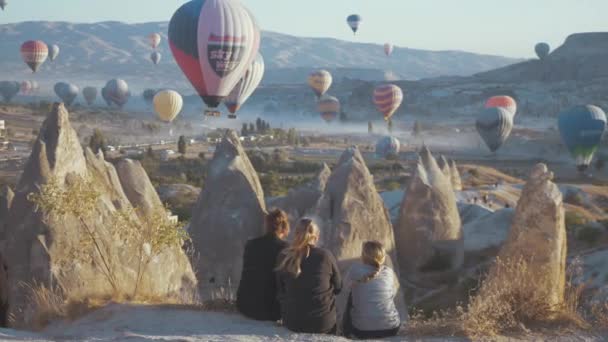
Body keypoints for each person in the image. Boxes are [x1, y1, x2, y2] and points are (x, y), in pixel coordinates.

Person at [276, 218, 342, 334]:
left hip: (293, 322)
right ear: (316, 237)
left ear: (296, 234)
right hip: (323, 324)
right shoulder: (325, 255)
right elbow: (338, 287)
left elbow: (281, 290)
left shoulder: (284, 256)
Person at [236, 209, 290, 321]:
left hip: (245, 306)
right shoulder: (286, 249)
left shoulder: (250, 244)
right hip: (273, 311)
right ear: (285, 227)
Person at [343, 241, 401, 339]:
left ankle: (346, 333)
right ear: (383, 258)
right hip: (391, 329)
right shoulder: (389, 272)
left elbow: (344, 288)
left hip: (362, 331)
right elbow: (393, 293)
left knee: (352, 293)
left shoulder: (355, 269)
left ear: (362, 256)